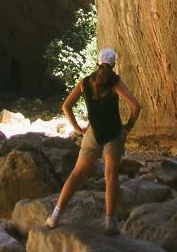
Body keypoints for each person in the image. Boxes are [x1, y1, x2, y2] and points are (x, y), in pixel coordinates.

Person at [45, 47, 141, 236]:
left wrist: (78, 129)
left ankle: (54, 216)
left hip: (93, 134)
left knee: (76, 174)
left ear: (98, 62)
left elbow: (66, 106)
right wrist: (128, 126)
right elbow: (136, 105)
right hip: (113, 134)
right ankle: (109, 223)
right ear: (113, 63)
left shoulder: (85, 82)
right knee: (111, 176)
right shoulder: (115, 82)